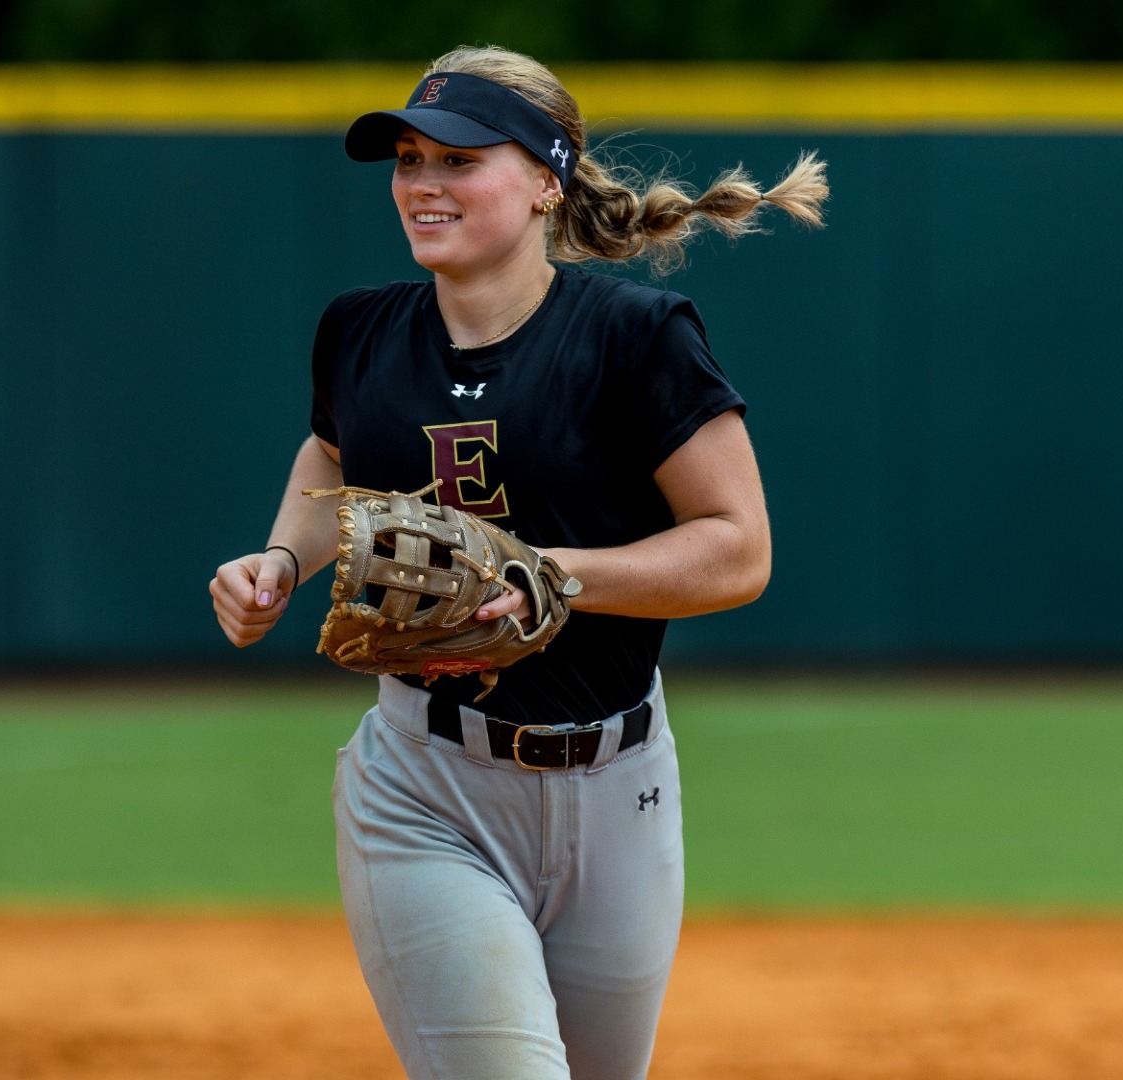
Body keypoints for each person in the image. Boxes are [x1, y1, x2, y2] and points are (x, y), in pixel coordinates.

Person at [209, 44, 826, 1080]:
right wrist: (280, 559)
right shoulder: (359, 332)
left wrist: (556, 574)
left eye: (459, 160)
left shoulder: (636, 336)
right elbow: (334, 455)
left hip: (622, 793)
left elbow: (738, 548)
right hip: (426, 790)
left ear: (546, 180)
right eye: (409, 159)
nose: (423, 183)